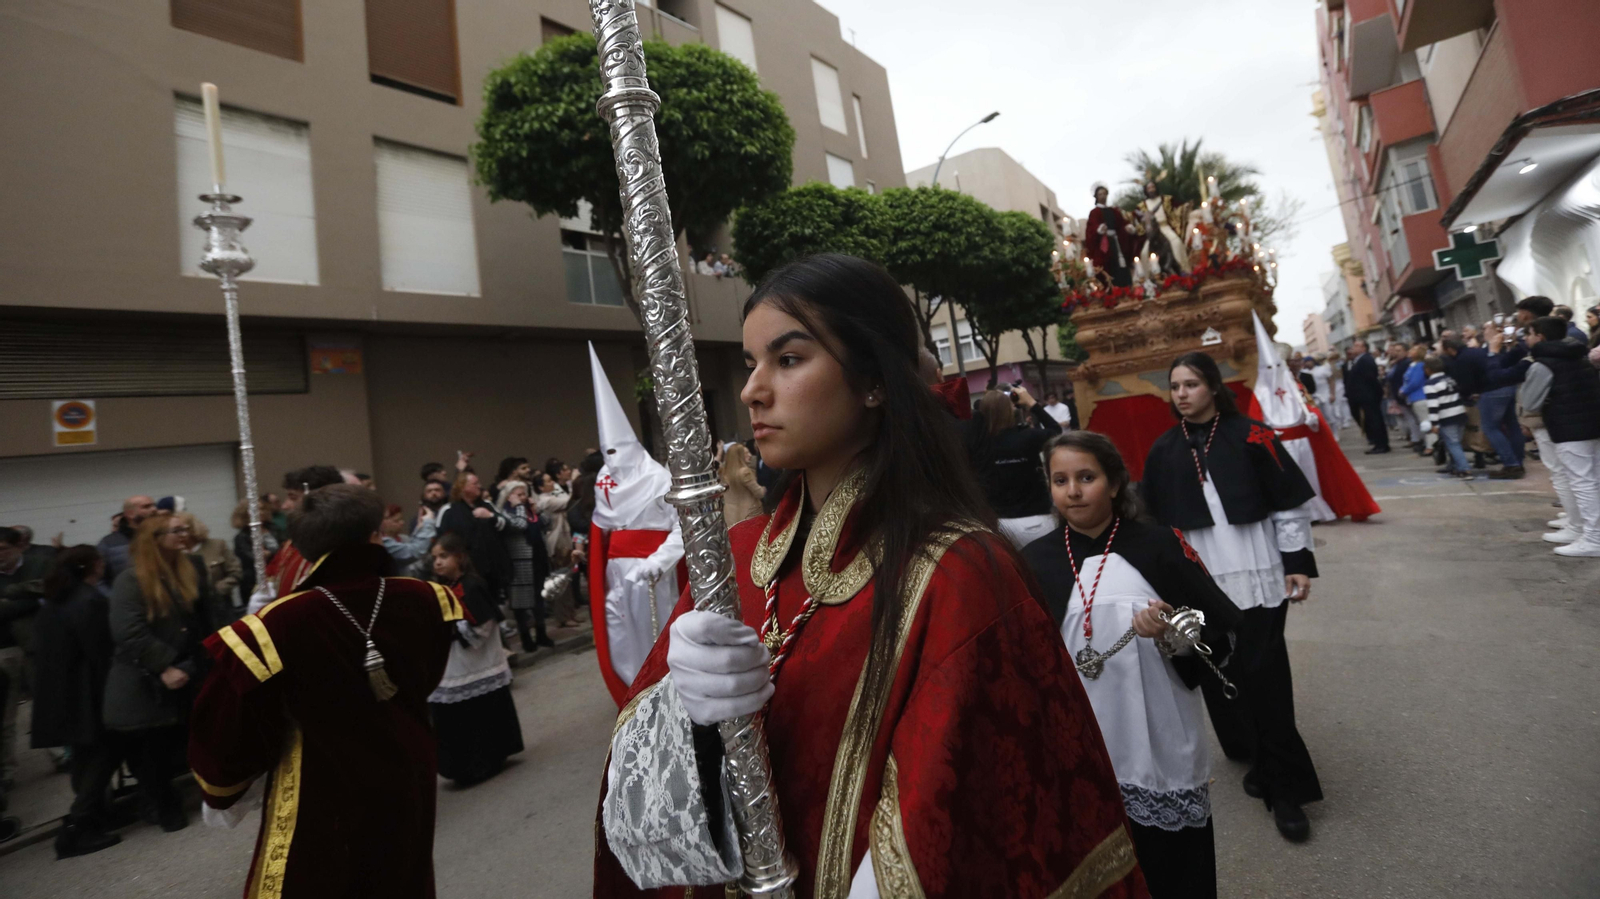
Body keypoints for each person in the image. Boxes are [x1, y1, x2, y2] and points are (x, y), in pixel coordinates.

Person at [595, 254, 1144, 897]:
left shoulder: (963, 574)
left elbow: (977, 829)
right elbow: (637, 801)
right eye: (750, 365)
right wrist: (676, 707)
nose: (753, 390)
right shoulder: (735, 560)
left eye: (789, 359)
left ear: (874, 381)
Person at [188, 484, 464, 898]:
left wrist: (225, 784)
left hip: (324, 782)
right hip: (408, 767)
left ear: (303, 547)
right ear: (374, 533)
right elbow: (423, 680)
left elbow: (230, 725)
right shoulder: (426, 597)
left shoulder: (274, 625)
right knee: (399, 874)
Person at [1022, 432, 1239, 898]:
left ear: (1116, 483)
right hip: (1078, 729)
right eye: (1060, 480)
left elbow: (1216, 629)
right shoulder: (1034, 561)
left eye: (1087, 478)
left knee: (1170, 865)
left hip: (1156, 726)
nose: (1073, 492)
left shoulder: (1158, 545)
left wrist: (1173, 632)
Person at [1141, 351, 1322, 842]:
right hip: (1201, 582)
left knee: (1266, 678)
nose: (1181, 394)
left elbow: (1288, 506)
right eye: (1175, 386)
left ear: (1213, 387)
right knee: (1227, 675)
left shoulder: (1253, 434)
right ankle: (1258, 762)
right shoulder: (1162, 450)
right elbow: (1155, 528)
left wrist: (1298, 563)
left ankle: (1286, 790)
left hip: (1259, 575)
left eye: (1191, 384)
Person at [106, 515, 224, 832]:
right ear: (155, 539)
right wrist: (165, 665)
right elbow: (128, 631)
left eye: (184, 529)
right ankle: (163, 807)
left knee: (197, 737)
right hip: (148, 679)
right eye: (176, 531)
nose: (184, 535)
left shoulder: (192, 568)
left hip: (193, 669)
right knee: (153, 751)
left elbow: (207, 617)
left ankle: (214, 795)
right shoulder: (131, 581)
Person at [586, 343, 687, 705]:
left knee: (654, 638)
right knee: (620, 640)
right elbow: (601, 531)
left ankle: (667, 698)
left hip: (651, 574)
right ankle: (633, 699)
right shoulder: (604, 481)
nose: (610, 461)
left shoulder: (658, 479)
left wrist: (657, 563)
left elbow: (682, 529)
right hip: (616, 574)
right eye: (605, 452)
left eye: (616, 451)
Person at [29, 546, 122, 858]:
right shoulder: (90, 600)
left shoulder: (56, 598)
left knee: (84, 758)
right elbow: (100, 653)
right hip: (87, 694)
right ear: (93, 565)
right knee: (103, 755)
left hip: (61, 693)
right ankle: (78, 825)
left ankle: (92, 817)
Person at [427, 534, 523, 785]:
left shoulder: (472, 585)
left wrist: (451, 629)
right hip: (454, 661)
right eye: (435, 557)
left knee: (479, 711)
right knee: (454, 714)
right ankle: (461, 766)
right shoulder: (440, 588)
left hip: (475, 660)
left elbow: (483, 625)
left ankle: (486, 760)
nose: (437, 562)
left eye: (443, 556)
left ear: (459, 557)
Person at [1522, 317, 1600, 556]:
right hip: (1592, 421)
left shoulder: (1542, 364)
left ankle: (1593, 538)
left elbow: (1529, 401)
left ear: (1540, 337)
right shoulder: (1579, 354)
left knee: (1582, 482)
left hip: (1568, 427)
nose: (1526, 338)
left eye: (1530, 333)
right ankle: (1585, 532)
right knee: (1593, 479)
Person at [965, 385, 1063, 548]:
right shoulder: (1028, 438)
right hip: (1039, 517)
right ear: (1011, 411)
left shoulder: (978, 445)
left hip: (1000, 524)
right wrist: (1032, 403)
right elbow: (1055, 430)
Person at [1, 525, 53, 788]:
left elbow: (51, 589)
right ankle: (7, 771)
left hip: (38, 644)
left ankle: (59, 752)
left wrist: (11, 596)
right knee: (6, 716)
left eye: (3, 549)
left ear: (18, 547)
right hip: (5, 649)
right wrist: (29, 597)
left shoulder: (39, 563)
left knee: (47, 700)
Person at [256, 465, 346, 609]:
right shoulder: (291, 544)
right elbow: (272, 574)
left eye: (293, 498)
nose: (285, 506)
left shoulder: (342, 547)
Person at [437, 471, 514, 608]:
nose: (480, 486)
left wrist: (490, 515)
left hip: (492, 566)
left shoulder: (487, 505)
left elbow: (506, 526)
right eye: (475, 483)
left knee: (494, 601)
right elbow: (442, 540)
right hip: (466, 568)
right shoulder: (449, 510)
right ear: (462, 487)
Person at [498, 480, 554, 650]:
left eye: (525, 494)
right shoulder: (505, 513)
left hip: (538, 558)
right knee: (522, 603)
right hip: (520, 563)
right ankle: (526, 638)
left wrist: (538, 510)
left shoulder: (530, 510)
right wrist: (520, 507)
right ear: (509, 497)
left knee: (539, 599)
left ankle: (541, 633)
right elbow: (520, 526)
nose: (523, 498)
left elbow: (547, 524)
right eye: (519, 495)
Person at [532, 471, 578, 626]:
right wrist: (573, 482)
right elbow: (570, 501)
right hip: (556, 544)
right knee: (560, 581)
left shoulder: (551, 498)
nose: (552, 483)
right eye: (548, 481)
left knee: (567, 580)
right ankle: (563, 617)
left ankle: (570, 614)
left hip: (563, 541)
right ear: (540, 487)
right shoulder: (546, 501)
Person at [177, 511, 242, 606]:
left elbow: (236, 572)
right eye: (175, 531)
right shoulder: (175, 553)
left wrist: (217, 590)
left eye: (183, 530)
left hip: (219, 604)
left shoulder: (217, 545)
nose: (180, 535)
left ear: (193, 528)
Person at [1424, 355, 1473, 478]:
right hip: (1460, 413)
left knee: (1452, 443)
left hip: (1447, 416)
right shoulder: (1449, 379)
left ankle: (1464, 468)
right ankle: (1453, 465)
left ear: (1428, 369)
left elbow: (1433, 405)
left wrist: (1434, 423)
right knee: (1455, 442)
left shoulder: (1430, 384)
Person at [1087, 182, 1139, 288]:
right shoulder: (1095, 212)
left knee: (1121, 264)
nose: (1102, 196)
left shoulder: (1114, 211)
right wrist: (1099, 230)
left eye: (1104, 193)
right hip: (1105, 245)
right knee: (1109, 265)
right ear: (1096, 197)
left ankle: (1126, 287)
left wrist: (1127, 227)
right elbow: (1091, 229)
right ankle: (1113, 289)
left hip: (1117, 241)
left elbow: (1121, 223)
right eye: (1100, 194)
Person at [231, 497, 281, 605]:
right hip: (254, 583)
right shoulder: (241, 537)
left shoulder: (274, 528)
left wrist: (270, 554)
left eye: (263, 509)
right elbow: (253, 558)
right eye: (256, 509)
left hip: (278, 577)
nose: (261, 512)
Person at [97, 495, 156, 583]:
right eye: (146, 507)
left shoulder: (164, 536)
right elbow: (99, 579)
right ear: (130, 514)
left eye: (154, 505)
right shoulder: (109, 543)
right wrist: (114, 596)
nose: (154, 509)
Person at [1135, 180, 1189, 276]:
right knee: (1144, 253)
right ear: (1146, 191)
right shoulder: (1142, 205)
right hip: (1152, 231)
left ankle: (1183, 271)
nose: (1151, 189)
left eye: (1153, 187)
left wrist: (1185, 207)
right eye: (1149, 188)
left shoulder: (1166, 199)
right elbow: (1136, 219)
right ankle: (1151, 278)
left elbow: (1178, 208)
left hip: (1165, 227)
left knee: (1177, 243)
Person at [1345, 340, 1389, 453]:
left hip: (1368, 395)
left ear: (1364, 348)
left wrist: (1372, 393)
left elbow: (1370, 378)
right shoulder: (1358, 360)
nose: (1354, 347)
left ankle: (1381, 445)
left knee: (1375, 420)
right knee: (1370, 420)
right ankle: (1377, 442)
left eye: (1357, 345)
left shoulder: (1366, 359)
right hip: (1362, 396)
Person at [380, 503, 436, 578]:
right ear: (384, 522)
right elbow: (414, 551)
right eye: (396, 521)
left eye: (401, 519)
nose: (402, 523)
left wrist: (420, 528)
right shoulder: (382, 543)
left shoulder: (404, 538)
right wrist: (428, 522)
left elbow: (413, 547)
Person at [720, 441, 766, 525]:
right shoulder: (744, 472)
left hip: (730, 516)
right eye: (746, 453)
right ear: (739, 456)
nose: (750, 455)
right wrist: (766, 488)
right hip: (749, 514)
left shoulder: (723, 473)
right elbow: (759, 493)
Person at [1401, 345, 1435, 454]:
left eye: (1413, 349)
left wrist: (1404, 390)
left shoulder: (1420, 365)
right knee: (1421, 421)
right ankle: (1426, 443)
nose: (1410, 350)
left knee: (1426, 421)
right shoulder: (1412, 365)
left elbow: (1415, 382)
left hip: (1420, 396)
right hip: (1414, 397)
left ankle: (1431, 446)